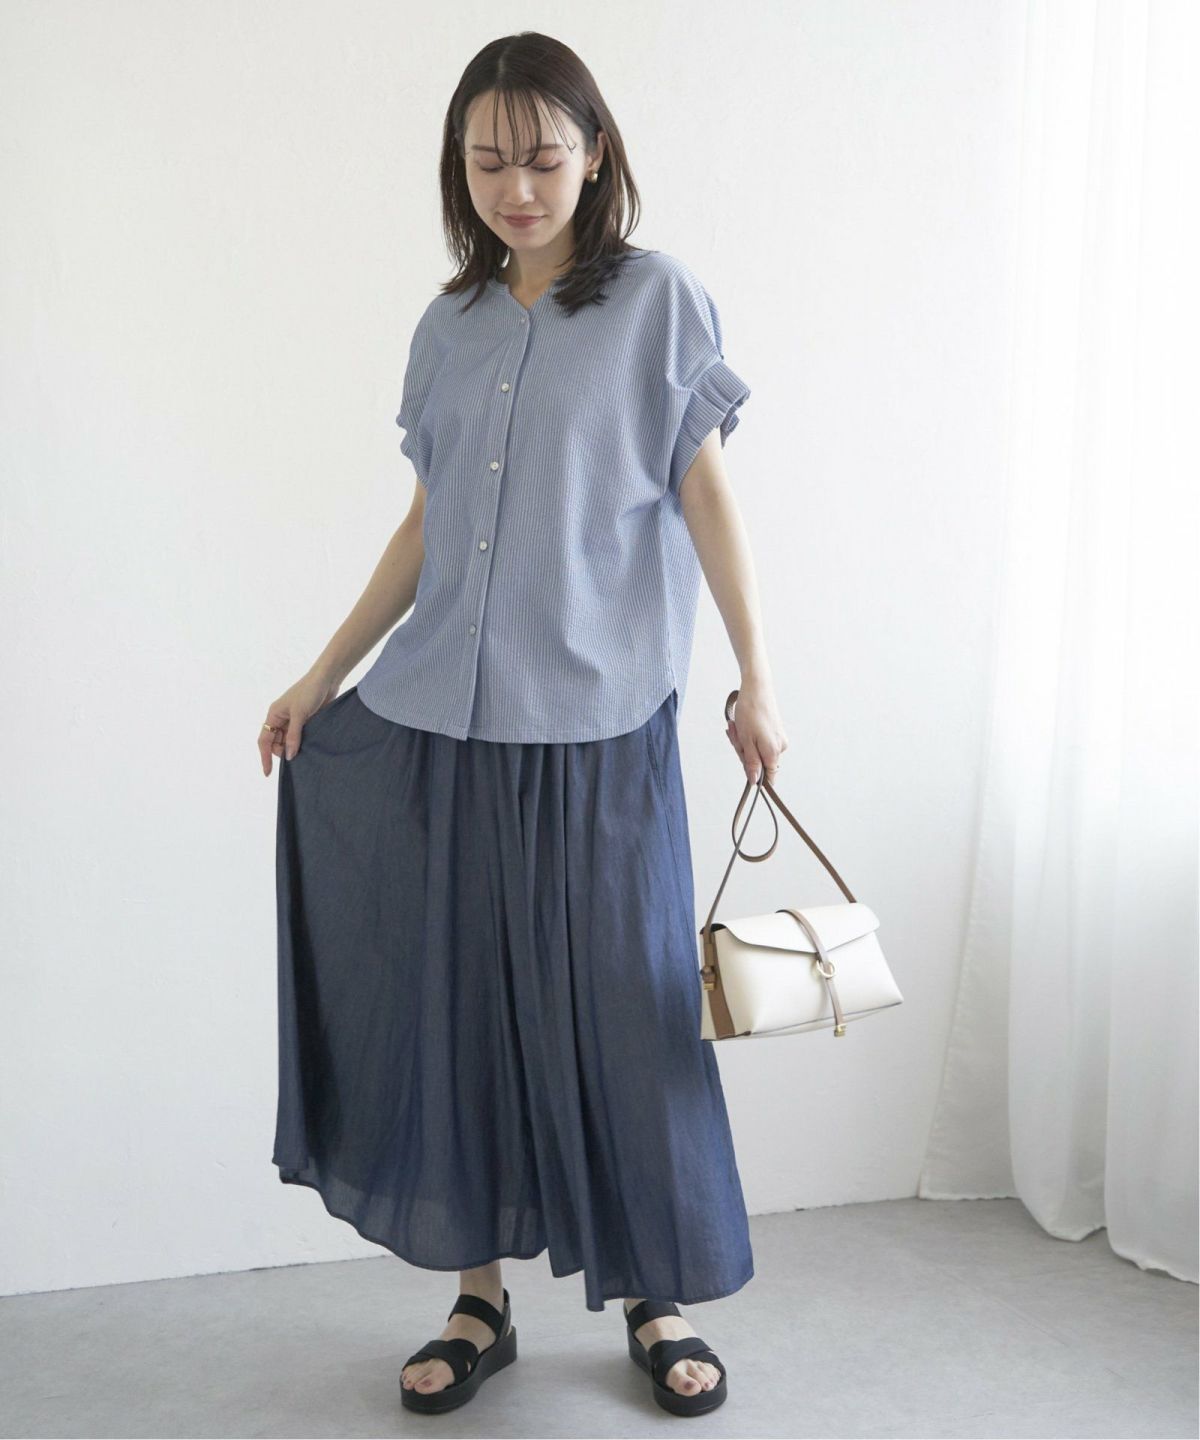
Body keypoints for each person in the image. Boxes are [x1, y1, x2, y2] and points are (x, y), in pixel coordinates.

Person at [258, 31, 787, 1421]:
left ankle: (655, 1293)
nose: (517, 186)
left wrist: (757, 674)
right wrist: (319, 675)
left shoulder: (659, 302)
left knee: (629, 1013)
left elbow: (706, 491)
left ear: (596, 154)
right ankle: (477, 1298)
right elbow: (427, 528)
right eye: (488, 161)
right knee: (464, 1009)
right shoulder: (450, 326)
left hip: (603, 721)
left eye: (543, 157)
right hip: (445, 719)